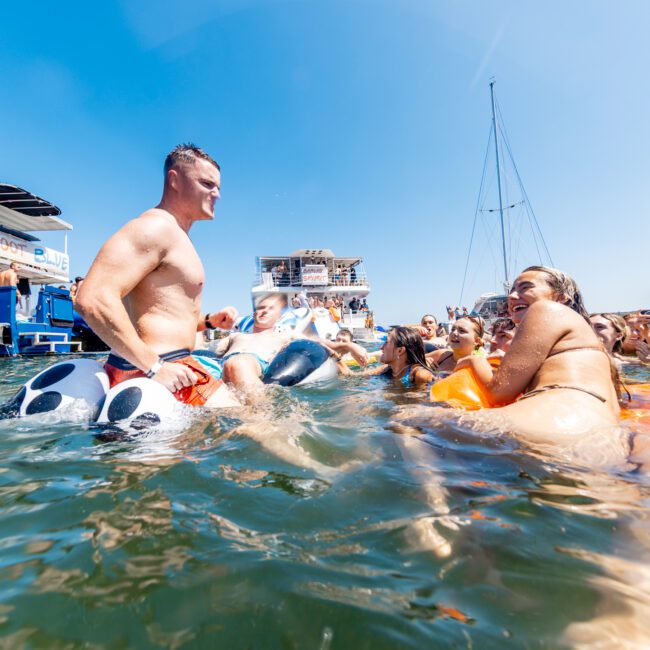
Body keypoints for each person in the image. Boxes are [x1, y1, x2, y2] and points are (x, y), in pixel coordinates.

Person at [76, 143, 239, 408]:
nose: (217, 194)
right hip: (163, 369)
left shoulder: (175, 235)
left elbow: (157, 314)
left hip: (161, 365)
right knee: (257, 427)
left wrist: (209, 322)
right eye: (208, 184)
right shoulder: (155, 227)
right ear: (175, 180)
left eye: (218, 187)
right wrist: (155, 367)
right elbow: (92, 298)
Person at [454, 266, 625, 466]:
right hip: (605, 440)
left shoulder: (545, 308)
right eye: (511, 292)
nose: (512, 296)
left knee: (413, 424)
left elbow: (498, 392)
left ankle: (438, 498)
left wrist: (475, 361)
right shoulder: (590, 344)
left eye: (524, 288)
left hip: (557, 423)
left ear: (561, 298)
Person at [214, 293, 368, 392]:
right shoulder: (236, 336)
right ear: (254, 313)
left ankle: (261, 424)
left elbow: (320, 343)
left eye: (270, 309)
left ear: (278, 316)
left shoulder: (285, 334)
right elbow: (214, 353)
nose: (264, 311)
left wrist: (349, 345)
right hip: (222, 369)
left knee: (238, 364)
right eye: (261, 308)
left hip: (250, 365)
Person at [356, 326, 433, 387]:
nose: (381, 347)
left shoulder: (419, 375)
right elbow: (353, 375)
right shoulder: (387, 369)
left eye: (387, 342)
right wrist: (347, 346)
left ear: (400, 351)